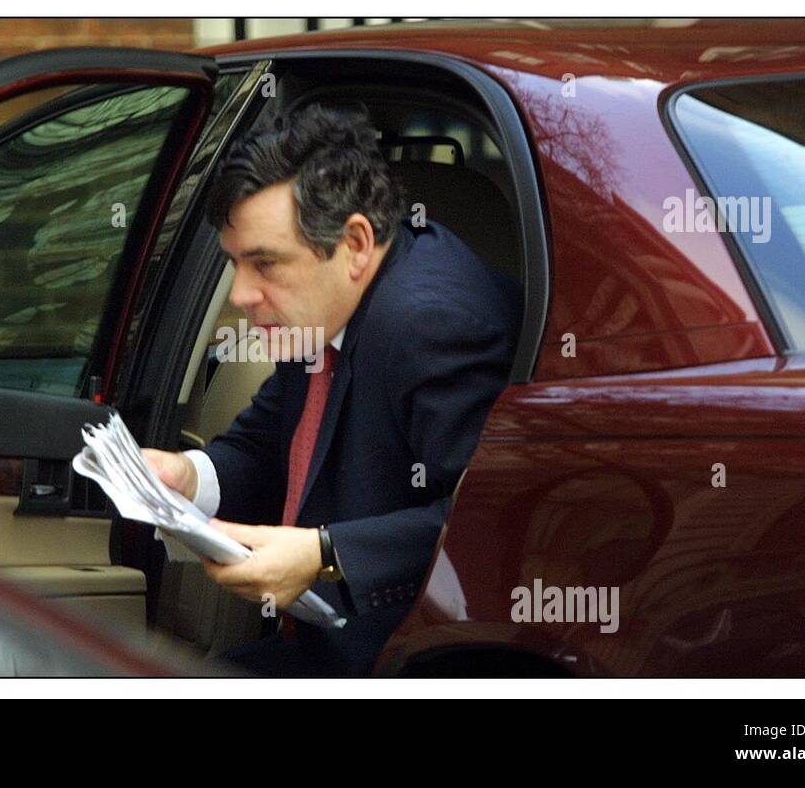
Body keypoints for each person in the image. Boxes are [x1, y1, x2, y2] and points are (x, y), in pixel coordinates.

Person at [143, 105, 522, 676]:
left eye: (264, 264)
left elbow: (489, 521)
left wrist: (325, 556)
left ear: (355, 242)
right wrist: (186, 477)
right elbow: (265, 444)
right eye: (235, 264)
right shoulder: (322, 308)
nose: (242, 294)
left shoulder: (428, 324)